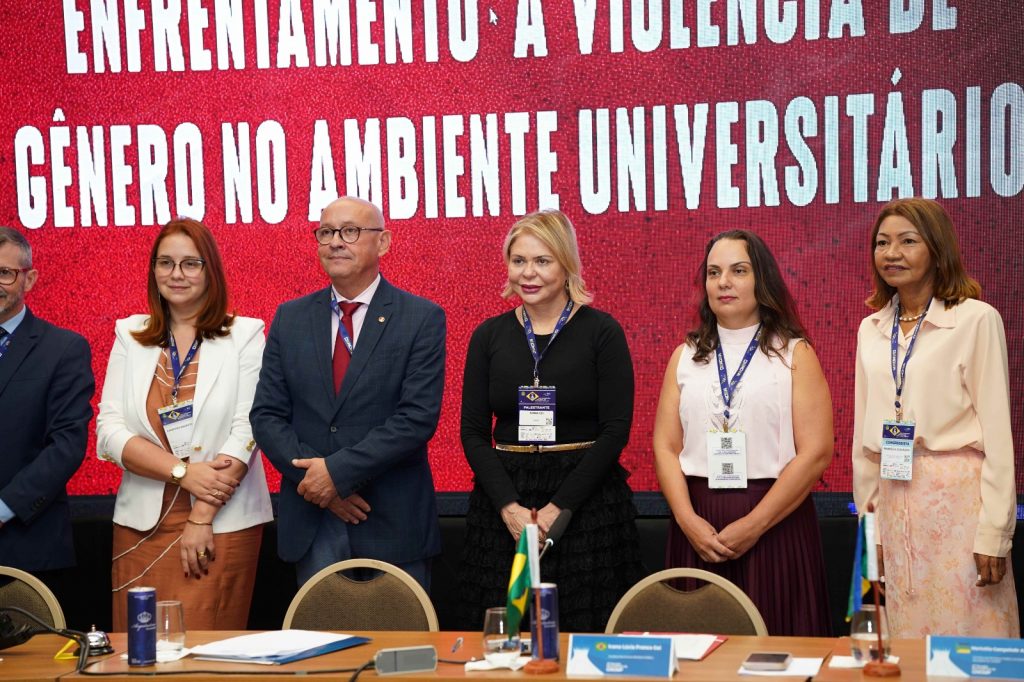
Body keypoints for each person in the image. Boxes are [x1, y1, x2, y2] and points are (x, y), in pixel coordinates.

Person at [457, 209, 644, 632]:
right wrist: (509, 507)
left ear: (566, 264)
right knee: (503, 636)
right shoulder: (488, 336)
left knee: (584, 632)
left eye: (542, 261)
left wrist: (560, 507)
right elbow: (472, 432)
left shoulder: (602, 332)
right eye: (519, 260)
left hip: (585, 503)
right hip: (504, 505)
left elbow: (615, 430)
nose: (529, 273)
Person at [251, 196, 446, 590]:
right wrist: (319, 485)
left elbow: (415, 419)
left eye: (350, 231)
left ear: (383, 242)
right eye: (326, 232)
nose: (336, 241)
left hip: (392, 521)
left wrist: (336, 474)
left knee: (398, 632)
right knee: (318, 631)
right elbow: (267, 416)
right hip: (313, 520)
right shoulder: (290, 317)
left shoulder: (421, 317)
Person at [652, 229, 833, 637]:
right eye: (714, 272)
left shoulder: (794, 353)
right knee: (699, 652)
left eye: (738, 271)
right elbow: (665, 447)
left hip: (774, 522)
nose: (724, 282)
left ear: (762, 279)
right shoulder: (684, 356)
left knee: (776, 648)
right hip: (698, 526)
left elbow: (817, 452)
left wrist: (755, 523)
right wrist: (686, 519)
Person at [852, 198, 1018, 638]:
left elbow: (998, 439)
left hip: (960, 508)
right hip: (894, 504)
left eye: (908, 241)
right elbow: (864, 445)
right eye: (882, 243)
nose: (892, 253)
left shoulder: (976, 320)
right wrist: (871, 533)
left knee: (970, 635)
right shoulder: (871, 329)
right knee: (905, 637)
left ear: (937, 248)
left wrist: (994, 533)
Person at [96, 217, 272, 630]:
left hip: (221, 522)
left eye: (191, 263)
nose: (176, 274)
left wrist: (201, 517)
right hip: (140, 528)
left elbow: (247, 430)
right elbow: (109, 431)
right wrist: (182, 473)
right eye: (165, 263)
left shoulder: (246, 335)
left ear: (211, 271)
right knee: (138, 650)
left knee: (204, 653)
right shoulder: (130, 333)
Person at [0, 226, 94, 590]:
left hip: (26, 546)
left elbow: (67, 445)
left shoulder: (63, 349)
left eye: (5, 273)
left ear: (30, 279)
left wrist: (4, 508)